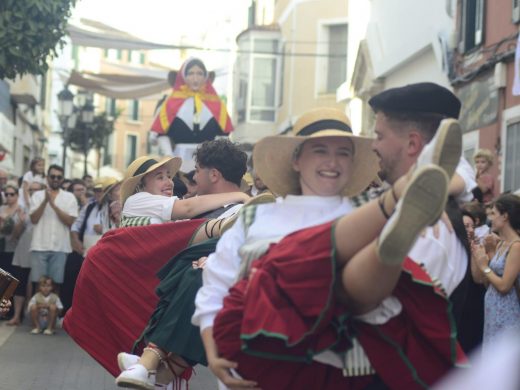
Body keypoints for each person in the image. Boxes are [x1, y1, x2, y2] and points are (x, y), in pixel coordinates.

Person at [193, 108, 465, 390]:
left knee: (362, 271)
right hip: (268, 352)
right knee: (299, 259)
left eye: (343, 153)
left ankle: (389, 234)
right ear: (297, 159)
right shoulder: (255, 217)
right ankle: (400, 195)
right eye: (320, 150)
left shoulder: (364, 208)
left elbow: (425, 280)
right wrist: (213, 351)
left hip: (348, 359)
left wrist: (426, 222)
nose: (332, 161)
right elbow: (216, 286)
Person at [150, 57, 233, 170]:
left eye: (199, 73)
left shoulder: (216, 103)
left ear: (205, 77)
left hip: (208, 164)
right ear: (183, 76)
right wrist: (168, 156)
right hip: (179, 163)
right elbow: (160, 133)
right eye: (191, 73)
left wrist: (217, 157)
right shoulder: (170, 103)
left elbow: (224, 134)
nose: (195, 78)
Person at [120, 155, 249, 227]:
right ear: (140, 186)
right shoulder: (136, 200)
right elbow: (187, 208)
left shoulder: (164, 210)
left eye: (169, 176)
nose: (169, 182)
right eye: (160, 177)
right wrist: (239, 195)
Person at [471, 194, 520, 351]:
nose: (489, 218)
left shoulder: (516, 246)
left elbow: (505, 285)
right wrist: (487, 254)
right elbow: (488, 282)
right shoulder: (501, 244)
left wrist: (484, 266)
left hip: (507, 316)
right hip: (493, 314)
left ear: (505, 216)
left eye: (493, 213)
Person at [29, 165, 78, 293]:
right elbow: (33, 219)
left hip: (60, 247)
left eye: (59, 177)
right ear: (47, 178)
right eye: (53, 176)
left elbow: (69, 222)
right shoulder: (37, 196)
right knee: (39, 285)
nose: (56, 179)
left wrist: (53, 204)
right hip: (39, 246)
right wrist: (45, 201)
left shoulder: (69, 197)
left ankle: (54, 313)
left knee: (56, 285)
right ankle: (37, 312)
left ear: (62, 179)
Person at [8, 181, 45, 326]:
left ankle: (34, 316)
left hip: (41, 246)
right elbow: (14, 236)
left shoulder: (45, 206)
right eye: (30, 190)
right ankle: (17, 316)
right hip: (24, 247)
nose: (33, 193)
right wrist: (20, 223)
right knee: (20, 281)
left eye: (37, 190)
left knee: (37, 282)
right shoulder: (22, 208)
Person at [0, 184, 26, 323]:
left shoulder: (21, 210)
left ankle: (12, 313)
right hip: (2, 248)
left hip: (15, 250)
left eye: (12, 194)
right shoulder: (2, 208)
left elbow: (14, 232)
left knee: (12, 283)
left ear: (17, 195)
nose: (9, 197)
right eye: (7, 194)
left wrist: (7, 219)